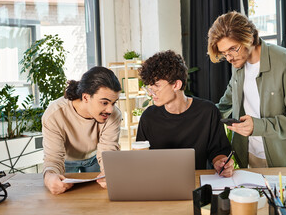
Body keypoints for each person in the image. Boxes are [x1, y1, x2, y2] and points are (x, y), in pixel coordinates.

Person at [207, 11, 286, 168]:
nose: (229, 58)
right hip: (252, 156)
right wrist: (194, 116)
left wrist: (258, 126)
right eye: (224, 53)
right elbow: (225, 104)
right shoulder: (238, 66)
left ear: (250, 38)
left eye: (233, 49)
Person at [136, 50, 234, 177]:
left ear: (176, 85)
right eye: (149, 87)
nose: (150, 93)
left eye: (156, 86)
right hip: (158, 182)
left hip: (196, 181)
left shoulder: (207, 111)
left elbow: (218, 151)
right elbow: (141, 157)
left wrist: (220, 163)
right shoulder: (148, 117)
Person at [42, 66, 122, 194]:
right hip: (66, 160)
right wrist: (50, 177)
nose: (110, 110)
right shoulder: (55, 114)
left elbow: (108, 150)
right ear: (85, 97)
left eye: (114, 103)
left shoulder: (114, 115)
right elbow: (53, 159)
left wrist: (109, 172)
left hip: (96, 158)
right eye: (104, 103)